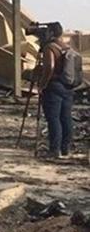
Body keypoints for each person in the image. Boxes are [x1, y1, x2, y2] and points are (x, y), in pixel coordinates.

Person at [37, 22, 74, 158]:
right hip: (67, 86)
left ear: (51, 33)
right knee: (66, 117)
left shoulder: (50, 47)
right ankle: (65, 148)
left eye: (47, 31)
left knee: (53, 118)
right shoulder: (66, 47)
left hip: (54, 86)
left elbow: (50, 67)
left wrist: (42, 84)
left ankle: (54, 150)